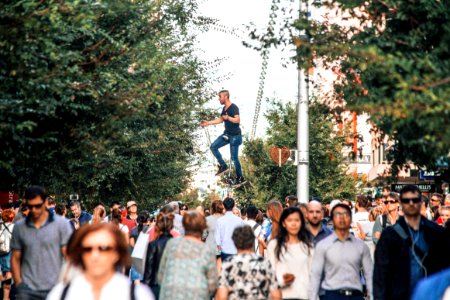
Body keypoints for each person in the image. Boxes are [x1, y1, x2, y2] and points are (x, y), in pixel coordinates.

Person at [373, 185, 450, 300]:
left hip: (429, 294)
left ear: (421, 203)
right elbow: (381, 273)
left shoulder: (435, 232)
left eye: (415, 200)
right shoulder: (390, 235)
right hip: (400, 294)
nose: (411, 203)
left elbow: (444, 267)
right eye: (406, 200)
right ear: (401, 204)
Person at [46, 223, 154, 300]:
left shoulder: (138, 295)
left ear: (116, 253)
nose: (95, 255)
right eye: (87, 249)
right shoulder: (61, 294)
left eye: (103, 248)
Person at [11, 186, 73, 300]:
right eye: (30, 206)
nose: (34, 210)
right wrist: (19, 284)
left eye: (38, 206)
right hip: (27, 289)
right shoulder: (19, 227)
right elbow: (15, 258)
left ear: (45, 202)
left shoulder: (61, 225)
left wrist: (64, 284)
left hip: (54, 288)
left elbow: (70, 256)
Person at [309, 204, 373, 300]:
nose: (341, 218)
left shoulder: (361, 246)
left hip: (355, 295)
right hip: (331, 294)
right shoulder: (323, 246)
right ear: (332, 220)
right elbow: (315, 275)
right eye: (337, 215)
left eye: (345, 215)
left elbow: (369, 274)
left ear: (351, 219)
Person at [157, 211, 218, 299]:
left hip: (170, 294)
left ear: (184, 225)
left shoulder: (172, 244)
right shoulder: (207, 250)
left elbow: (161, 275)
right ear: (202, 227)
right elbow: (212, 284)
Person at [216, 225, 281, 300]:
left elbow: (222, 296)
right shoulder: (265, 263)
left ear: (234, 242)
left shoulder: (228, 264)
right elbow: (276, 295)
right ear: (253, 240)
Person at [200, 90, 245, 186]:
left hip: (235, 136)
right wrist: (208, 123)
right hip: (227, 135)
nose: (219, 99)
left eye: (220, 97)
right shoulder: (224, 109)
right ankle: (223, 165)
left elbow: (237, 120)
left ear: (225, 97)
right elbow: (220, 119)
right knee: (213, 147)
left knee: (234, 158)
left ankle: (240, 177)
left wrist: (228, 118)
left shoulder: (233, 107)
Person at [268, 207, 314, 299]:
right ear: (284, 223)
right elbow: (270, 274)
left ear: (301, 223)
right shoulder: (274, 245)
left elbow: (313, 274)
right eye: (290, 220)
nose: (294, 224)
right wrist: (282, 280)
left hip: (304, 295)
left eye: (297, 220)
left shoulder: (308, 246)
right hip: (282, 295)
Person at [143, 212, 175, 299]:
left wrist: (145, 290)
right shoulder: (177, 244)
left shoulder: (153, 244)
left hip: (156, 286)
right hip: (173, 286)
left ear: (157, 226)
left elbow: (148, 270)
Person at [0, 209, 15, 300]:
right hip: (8, 252)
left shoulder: (0, 226)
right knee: (8, 274)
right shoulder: (14, 227)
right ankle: (6, 297)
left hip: (0, 250)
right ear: (12, 218)